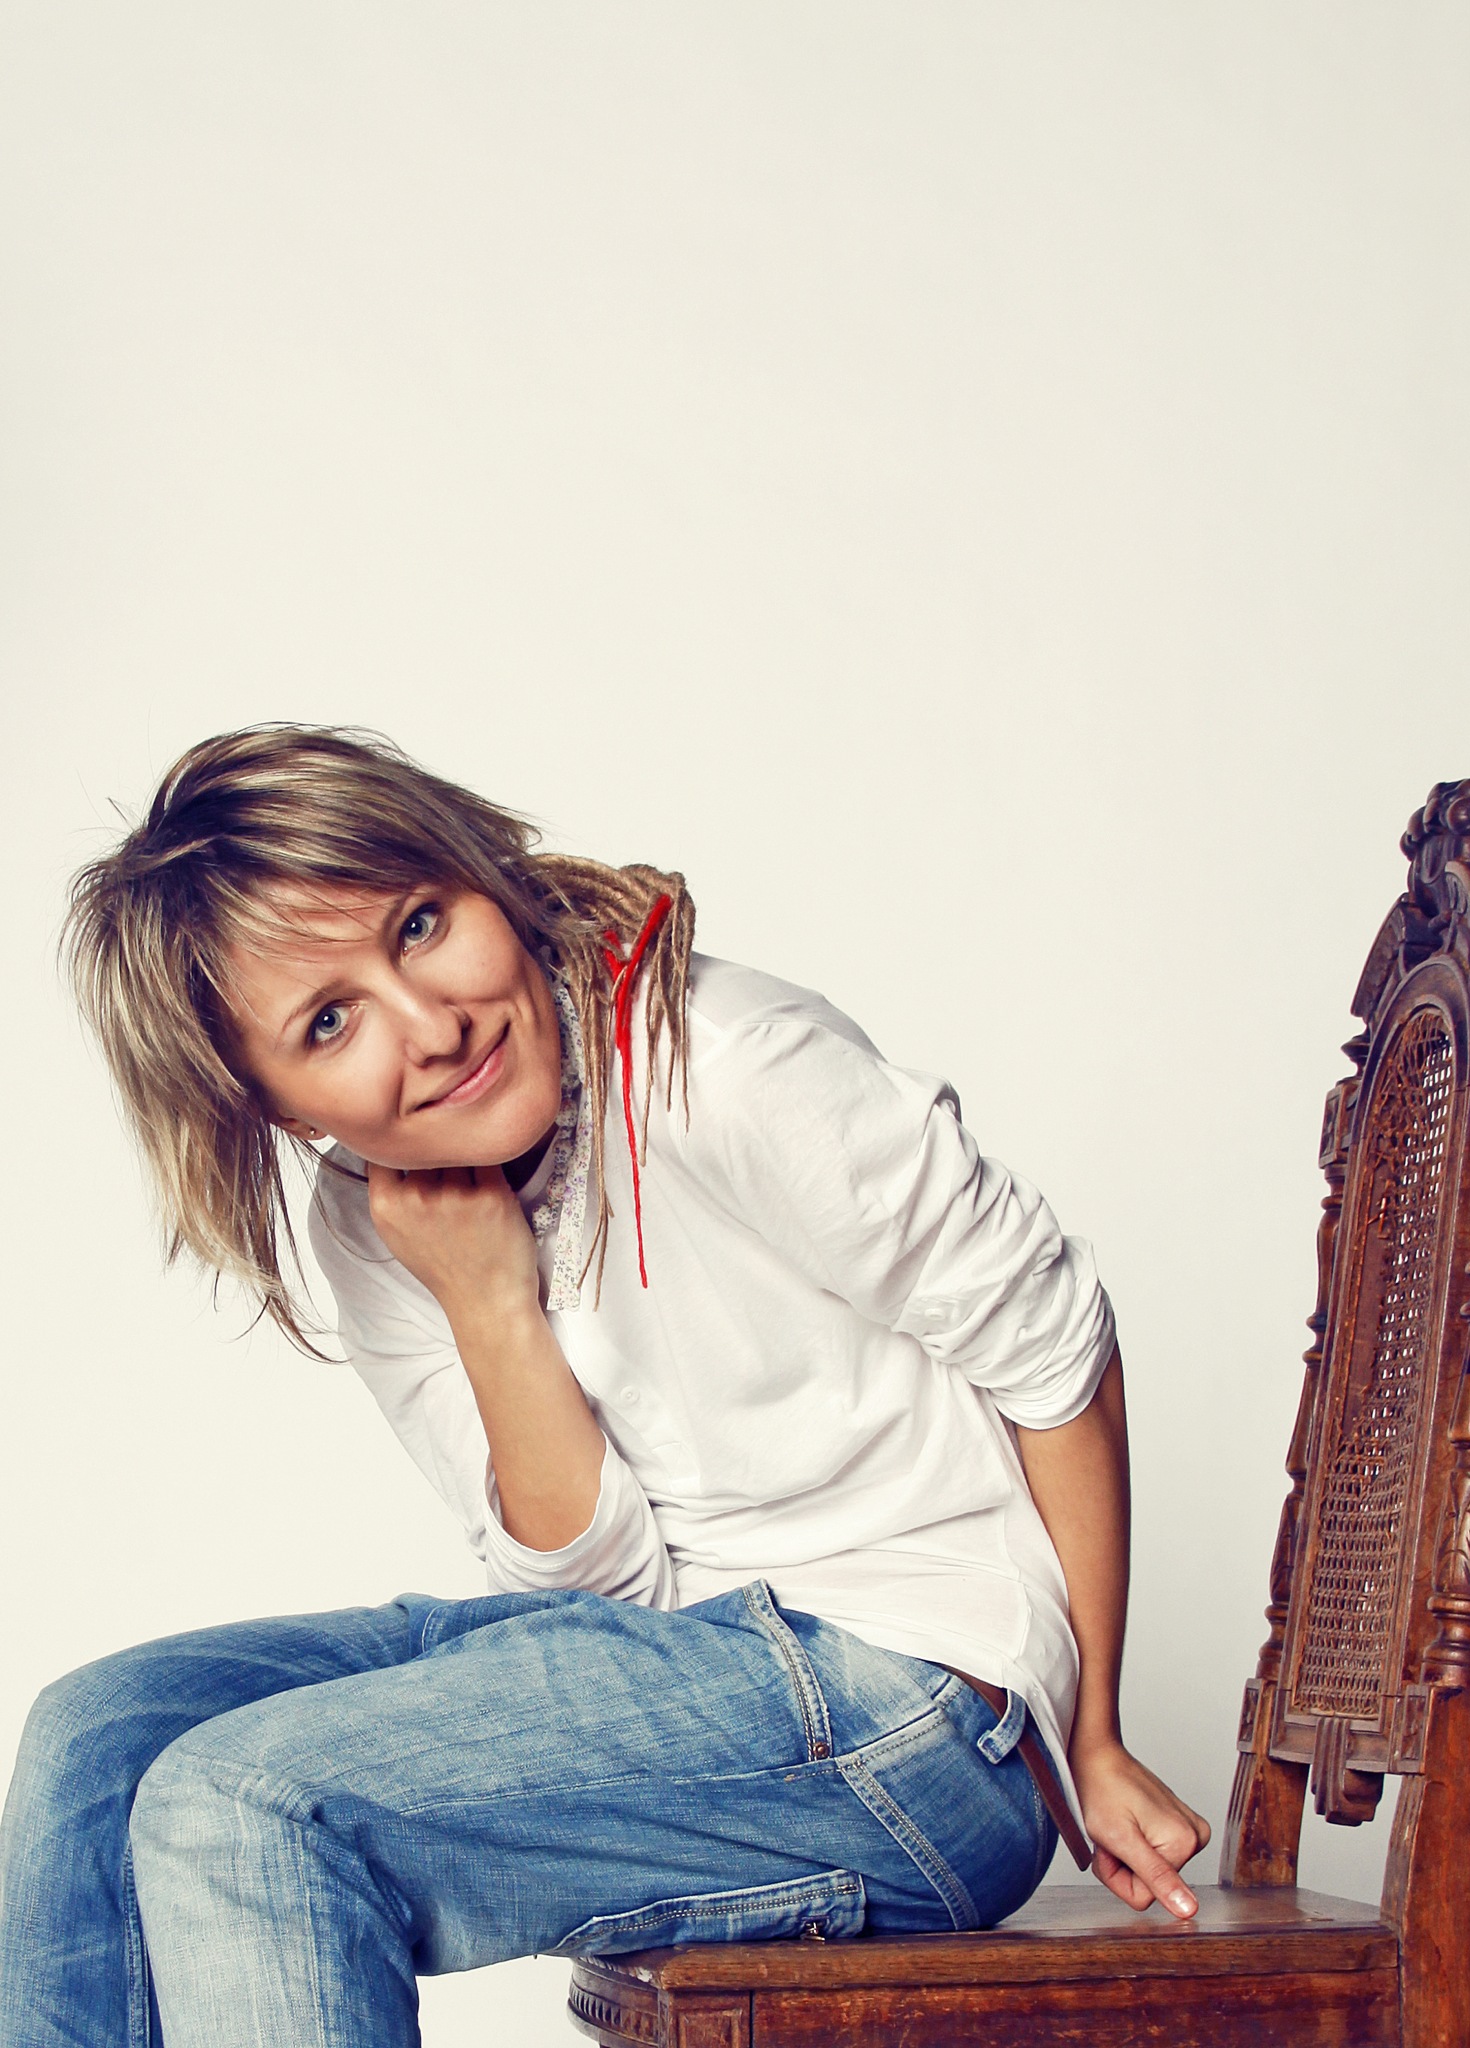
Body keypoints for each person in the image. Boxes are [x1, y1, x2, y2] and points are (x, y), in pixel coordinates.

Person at [0, 724, 1208, 2048]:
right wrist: (487, 1303)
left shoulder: (724, 1065)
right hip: (677, 1656)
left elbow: (1055, 1344)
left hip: (917, 1709)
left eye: (419, 925)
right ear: (275, 1104)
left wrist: (1092, 1731)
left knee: (248, 1800)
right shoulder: (376, 1221)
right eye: (330, 1021)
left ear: (481, 874)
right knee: (97, 1743)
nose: (434, 1028)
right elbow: (600, 1595)